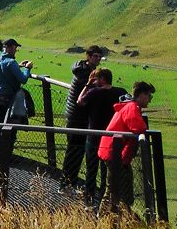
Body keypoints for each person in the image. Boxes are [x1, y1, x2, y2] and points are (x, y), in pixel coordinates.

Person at [98, 81, 155, 213]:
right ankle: (106, 218)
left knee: (115, 187)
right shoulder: (131, 107)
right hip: (114, 153)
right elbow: (138, 127)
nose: (150, 100)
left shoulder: (129, 106)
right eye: (149, 97)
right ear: (141, 95)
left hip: (114, 152)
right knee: (113, 189)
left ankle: (113, 216)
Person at [76, 68, 127, 207]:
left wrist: (87, 84)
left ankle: (89, 201)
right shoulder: (120, 92)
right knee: (107, 171)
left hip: (93, 135)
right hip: (111, 137)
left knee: (91, 169)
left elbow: (79, 101)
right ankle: (106, 202)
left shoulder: (94, 92)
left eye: (96, 79)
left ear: (102, 79)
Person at [61, 45, 105, 188]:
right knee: (75, 150)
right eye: (95, 56)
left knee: (74, 150)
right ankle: (67, 183)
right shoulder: (87, 74)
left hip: (75, 114)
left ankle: (68, 182)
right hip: (78, 116)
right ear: (88, 56)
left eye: (99, 56)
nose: (97, 59)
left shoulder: (81, 68)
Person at [0, 38, 33, 157]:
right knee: (11, 127)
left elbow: (6, 71)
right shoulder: (11, 62)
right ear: (10, 47)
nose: (16, 50)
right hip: (11, 99)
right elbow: (23, 79)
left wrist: (18, 66)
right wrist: (27, 68)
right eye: (15, 48)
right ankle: (7, 155)